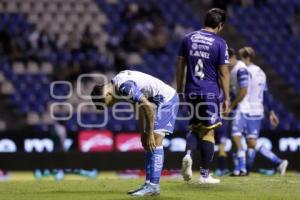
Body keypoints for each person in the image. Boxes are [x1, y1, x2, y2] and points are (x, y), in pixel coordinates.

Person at [91, 70, 179, 196]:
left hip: (167, 98)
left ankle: (153, 186)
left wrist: (148, 134)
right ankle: (149, 183)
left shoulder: (124, 87)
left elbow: (147, 106)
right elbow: (139, 108)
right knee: (149, 143)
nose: (111, 106)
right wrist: (142, 133)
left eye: (107, 104)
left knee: (155, 140)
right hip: (156, 100)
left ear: (107, 95)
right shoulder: (118, 85)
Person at [176, 8, 230, 184]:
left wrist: (180, 91)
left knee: (193, 127)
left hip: (191, 89)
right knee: (208, 132)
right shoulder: (220, 43)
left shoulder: (187, 38)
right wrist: (227, 97)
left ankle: (188, 154)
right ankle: (205, 176)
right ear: (220, 25)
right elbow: (223, 72)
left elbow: (180, 66)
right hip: (209, 92)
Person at [239, 47, 288, 175]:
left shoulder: (245, 72)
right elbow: (266, 95)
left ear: (247, 57)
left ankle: (278, 161)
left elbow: (243, 92)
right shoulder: (261, 72)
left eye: (241, 57)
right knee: (250, 141)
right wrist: (271, 111)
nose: (240, 60)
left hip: (248, 110)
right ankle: (247, 169)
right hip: (258, 111)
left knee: (250, 142)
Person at [227, 48, 251, 176]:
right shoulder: (232, 70)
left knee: (236, 136)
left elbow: (244, 91)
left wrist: (232, 105)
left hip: (242, 107)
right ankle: (237, 169)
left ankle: (243, 168)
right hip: (236, 107)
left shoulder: (240, 69)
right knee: (233, 137)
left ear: (232, 57)